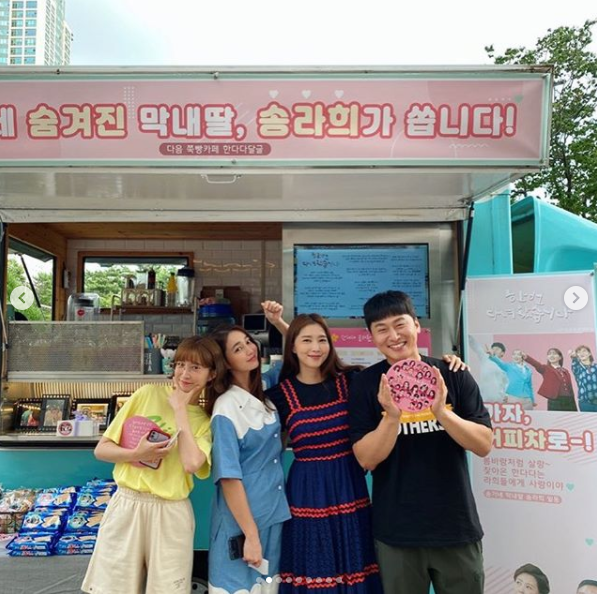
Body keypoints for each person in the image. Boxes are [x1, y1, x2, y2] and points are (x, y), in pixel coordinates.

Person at [348, 290, 493, 594]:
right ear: (371, 337)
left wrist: (442, 412)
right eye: (382, 329)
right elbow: (366, 459)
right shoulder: (365, 384)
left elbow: (483, 444)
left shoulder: (453, 374)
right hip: (396, 532)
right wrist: (391, 417)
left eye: (400, 324)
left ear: (416, 325)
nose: (393, 336)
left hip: (455, 527)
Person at [81, 336, 217, 594]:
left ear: (211, 375)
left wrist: (180, 409)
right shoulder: (147, 394)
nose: (185, 374)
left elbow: (191, 464)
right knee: (112, 588)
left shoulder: (204, 421)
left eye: (196, 367)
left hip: (170, 512)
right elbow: (102, 449)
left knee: (168, 589)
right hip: (127, 503)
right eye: (181, 365)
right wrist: (136, 453)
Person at [265, 312, 384, 593]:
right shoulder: (279, 395)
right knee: (313, 565)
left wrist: (447, 365)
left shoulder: (352, 381)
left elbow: (399, 374)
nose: (316, 347)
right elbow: (271, 447)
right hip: (306, 489)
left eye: (322, 340)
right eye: (306, 340)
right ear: (293, 346)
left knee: (356, 560)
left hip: (349, 484)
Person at [207, 325, 290, 593]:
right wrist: (251, 536)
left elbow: (298, 354)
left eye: (248, 341)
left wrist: (279, 322)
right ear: (225, 362)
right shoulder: (226, 408)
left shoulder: (264, 387)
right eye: (238, 349)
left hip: (273, 514)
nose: (249, 349)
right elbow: (228, 478)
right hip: (242, 525)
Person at [468, 337, 508, 403]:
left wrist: (505, 395)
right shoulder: (485, 358)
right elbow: (477, 347)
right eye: (493, 349)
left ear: (502, 353)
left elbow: (505, 383)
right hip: (484, 397)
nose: (494, 351)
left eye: (497, 349)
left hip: (497, 399)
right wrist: (467, 336)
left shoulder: (504, 366)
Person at [569, 345, 597, 412]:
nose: (581, 353)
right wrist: (574, 357)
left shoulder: (596, 366)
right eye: (579, 352)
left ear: (589, 353)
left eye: (584, 351)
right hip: (585, 403)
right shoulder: (577, 368)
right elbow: (575, 362)